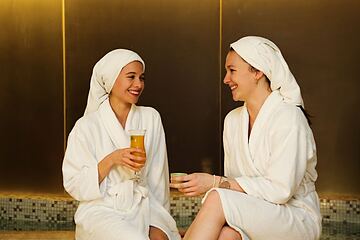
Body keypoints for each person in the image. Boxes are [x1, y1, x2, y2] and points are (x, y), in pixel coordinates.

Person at [170, 36, 322, 240]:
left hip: (296, 217)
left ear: (258, 71)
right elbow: (235, 187)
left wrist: (214, 182)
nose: (226, 79)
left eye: (232, 70)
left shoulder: (288, 117)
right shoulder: (232, 121)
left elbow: (281, 190)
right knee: (227, 236)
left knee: (217, 197)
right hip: (259, 213)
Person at [62, 49, 181, 240]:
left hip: (145, 206)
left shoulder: (151, 117)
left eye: (141, 78)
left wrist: (160, 221)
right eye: (131, 77)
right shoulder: (86, 126)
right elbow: (74, 184)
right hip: (102, 209)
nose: (138, 84)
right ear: (111, 79)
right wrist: (112, 159)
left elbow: (158, 179)